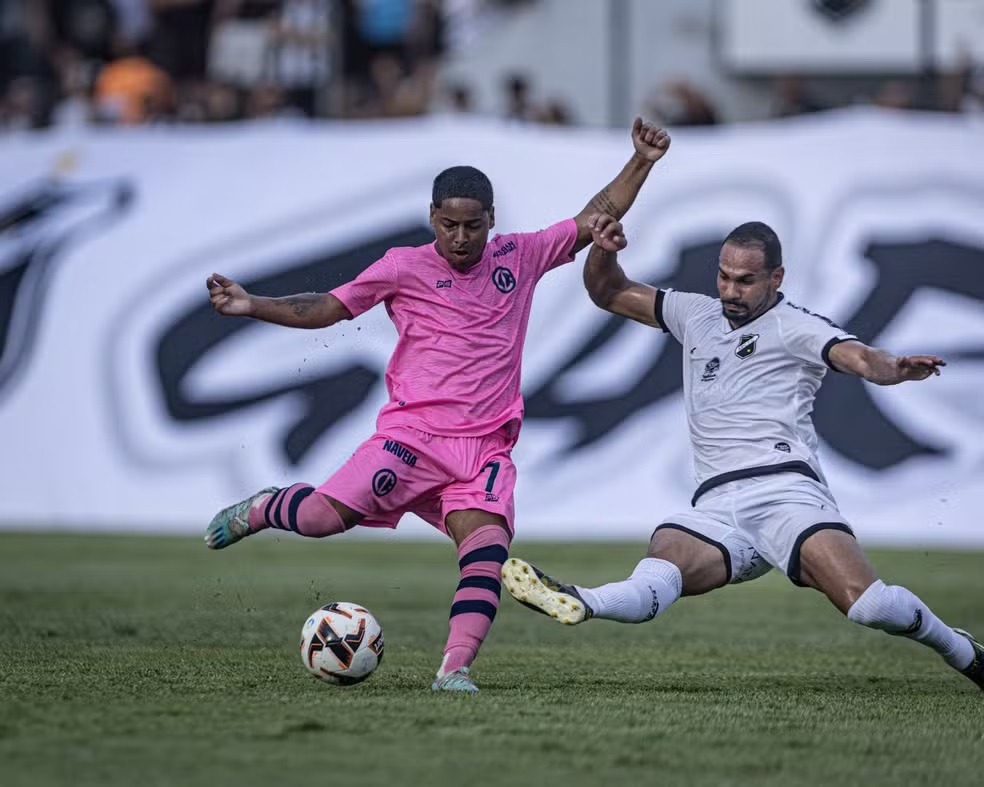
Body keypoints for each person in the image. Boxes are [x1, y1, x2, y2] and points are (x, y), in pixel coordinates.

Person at [204, 119, 672, 693]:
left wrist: (641, 161)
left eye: (472, 226)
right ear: (432, 218)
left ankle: (455, 669)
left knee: (488, 553)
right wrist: (253, 305)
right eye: (448, 224)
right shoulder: (403, 265)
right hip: (411, 438)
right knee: (321, 519)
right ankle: (265, 508)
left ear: (491, 222)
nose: (459, 237)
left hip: (484, 450)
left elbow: (594, 214)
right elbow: (326, 307)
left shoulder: (520, 257)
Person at [502, 217, 984, 692]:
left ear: (776, 278)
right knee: (657, 575)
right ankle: (578, 600)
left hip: (784, 493)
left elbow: (857, 356)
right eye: (724, 277)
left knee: (870, 606)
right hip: (715, 505)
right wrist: (603, 249)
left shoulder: (794, 326)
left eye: (746, 281)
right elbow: (608, 292)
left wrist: (893, 367)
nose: (731, 291)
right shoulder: (695, 314)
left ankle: (960, 650)